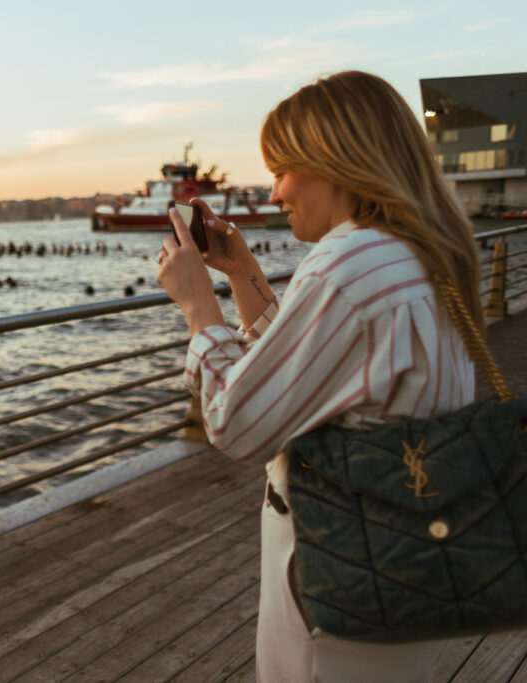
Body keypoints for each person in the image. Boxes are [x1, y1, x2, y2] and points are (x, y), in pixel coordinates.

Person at [157, 71, 481, 682]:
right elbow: (313, 370)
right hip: (410, 557)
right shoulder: (421, 252)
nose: (274, 193)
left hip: (340, 573)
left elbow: (241, 424)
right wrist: (241, 271)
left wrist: (198, 309)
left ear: (333, 160)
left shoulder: (350, 260)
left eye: (281, 170)